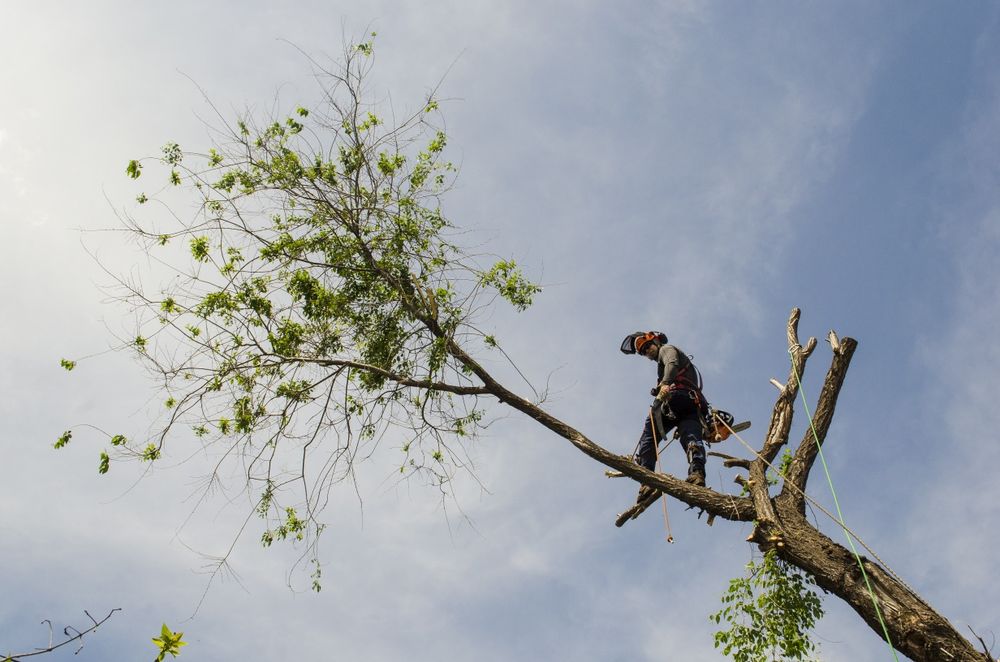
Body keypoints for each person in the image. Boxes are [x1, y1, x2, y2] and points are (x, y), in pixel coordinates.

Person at [620, 331, 708, 492]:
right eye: (643, 351)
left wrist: (665, 383)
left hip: (678, 398)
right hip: (690, 405)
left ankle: (646, 479)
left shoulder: (666, 349)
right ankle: (697, 473)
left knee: (650, 431)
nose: (647, 351)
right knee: (691, 437)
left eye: (648, 346)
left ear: (656, 341)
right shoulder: (661, 363)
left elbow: (672, 363)